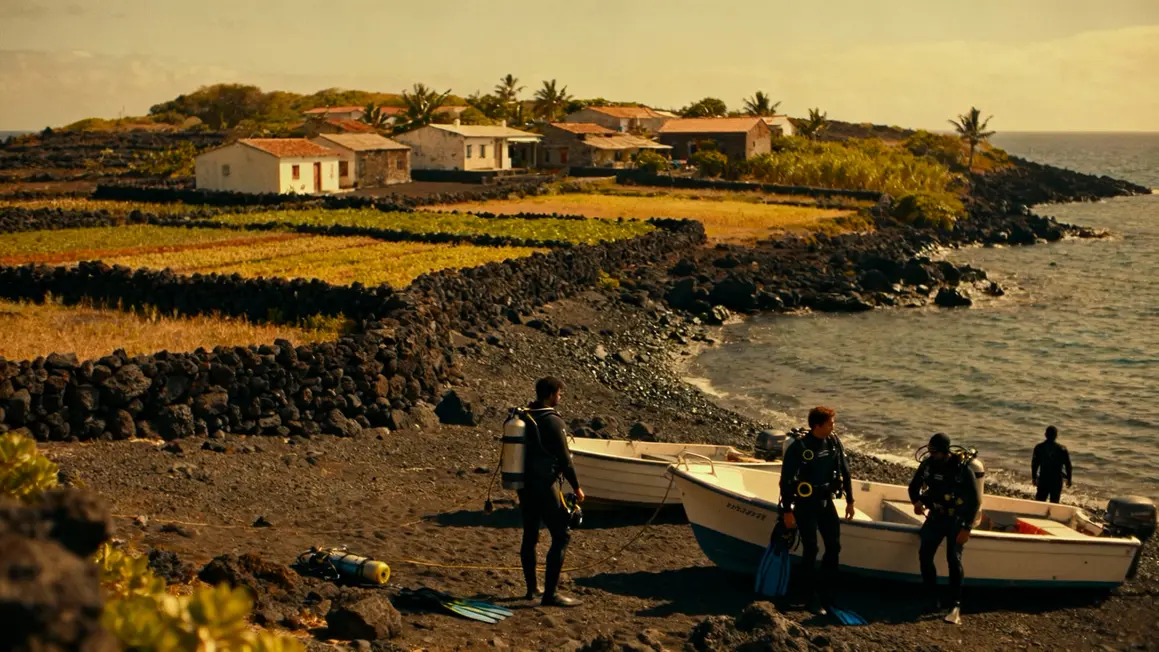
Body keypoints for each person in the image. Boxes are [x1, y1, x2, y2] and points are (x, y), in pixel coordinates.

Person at [779, 406, 856, 614]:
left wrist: (850, 499)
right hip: (806, 505)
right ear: (818, 425)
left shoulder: (833, 442)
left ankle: (826, 593)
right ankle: (807, 596)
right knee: (811, 549)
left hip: (825, 502)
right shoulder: (799, 447)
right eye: (831, 423)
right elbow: (785, 481)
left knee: (834, 547)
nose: (834, 426)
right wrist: (787, 510)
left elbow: (845, 471)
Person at [518, 377, 585, 608]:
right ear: (550, 395)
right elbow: (565, 460)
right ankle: (550, 595)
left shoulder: (525, 415)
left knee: (530, 534)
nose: (560, 397)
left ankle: (531, 590)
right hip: (545, 485)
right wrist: (576, 487)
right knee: (562, 535)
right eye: (559, 393)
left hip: (524, 485)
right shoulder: (552, 421)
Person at [908, 433, 981, 620]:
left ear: (945, 451)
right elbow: (913, 487)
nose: (932, 456)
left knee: (953, 559)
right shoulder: (927, 466)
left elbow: (974, 501)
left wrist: (967, 528)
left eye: (935, 453)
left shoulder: (962, 470)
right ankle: (932, 598)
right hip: (936, 518)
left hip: (956, 520)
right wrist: (916, 501)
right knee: (925, 555)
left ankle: (955, 604)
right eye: (930, 452)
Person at [1032, 426, 1072, 504]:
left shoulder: (1039, 448)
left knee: (1039, 503)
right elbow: (1068, 466)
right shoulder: (1062, 449)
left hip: (1044, 479)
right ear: (1056, 436)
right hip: (1056, 480)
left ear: (1045, 434)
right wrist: (1069, 479)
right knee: (1054, 503)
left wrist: (1034, 477)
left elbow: (1034, 464)